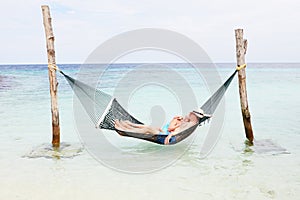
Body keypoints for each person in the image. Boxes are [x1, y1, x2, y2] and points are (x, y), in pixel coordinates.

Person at [114, 109, 209, 145]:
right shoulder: (193, 121)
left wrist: (170, 135)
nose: (189, 113)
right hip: (165, 134)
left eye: (191, 113)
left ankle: (124, 129)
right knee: (148, 127)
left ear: (194, 115)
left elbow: (180, 131)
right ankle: (128, 125)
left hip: (166, 137)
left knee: (147, 129)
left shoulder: (191, 124)